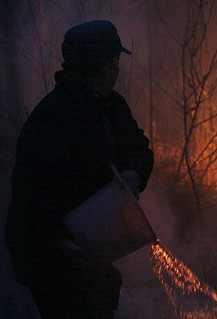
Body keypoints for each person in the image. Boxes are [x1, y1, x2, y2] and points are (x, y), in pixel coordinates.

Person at [5, 20, 154, 318]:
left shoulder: (110, 106)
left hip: (89, 247)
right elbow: (32, 201)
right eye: (113, 62)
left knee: (103, 293)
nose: (117, 69)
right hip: (49, 257)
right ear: (104, 66)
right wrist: (59, 243)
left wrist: (134, 175)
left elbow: (140, 150)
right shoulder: (50, 121)